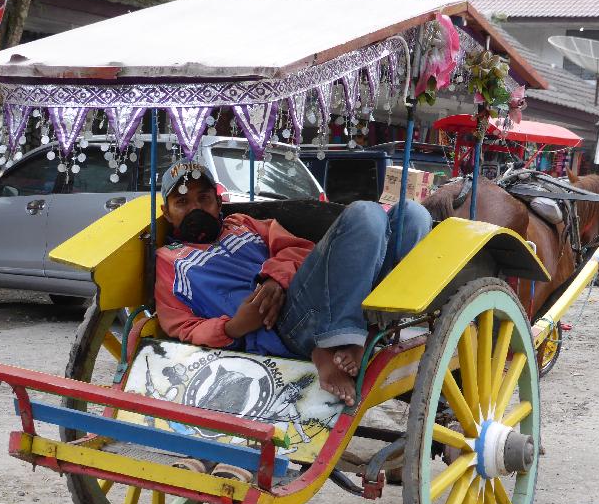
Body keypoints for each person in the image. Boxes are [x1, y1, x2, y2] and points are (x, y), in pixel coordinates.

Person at [154, 160, 432, 405]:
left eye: (203, 199)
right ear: (167, 213)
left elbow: (297, 248)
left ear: (218, 202)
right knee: (365, 213)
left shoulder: (244, 224)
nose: (195, 209)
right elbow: (180, 325)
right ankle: (336, 342)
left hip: (304, 295)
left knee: (413, 215)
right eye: (182, 203)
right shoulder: (169, 261)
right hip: (284, 327)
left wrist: (275, 279)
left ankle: (361, 333)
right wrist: (233, 326)